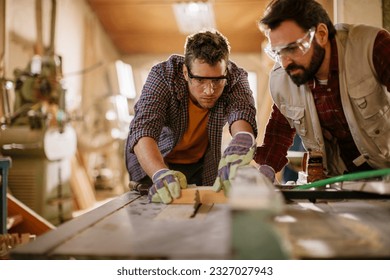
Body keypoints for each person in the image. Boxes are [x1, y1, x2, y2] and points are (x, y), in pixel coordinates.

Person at [255, 0, 390, 183]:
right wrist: (262, 173)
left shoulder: (371, 46)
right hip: (337, 184)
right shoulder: (284, 79)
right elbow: (277, 137)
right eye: (278, 53)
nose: (285, 62)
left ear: (321, 34)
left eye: (292, 48)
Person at [125, 29, 258, 204]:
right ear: (186, 72)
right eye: (201, 80)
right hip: (156, 160)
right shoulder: (163, 75)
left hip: (200, 164)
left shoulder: (235, 77)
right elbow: (143, 128)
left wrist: (242, 138)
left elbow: (241, 110)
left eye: (217, 80)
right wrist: (159, 173)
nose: (209, 90)